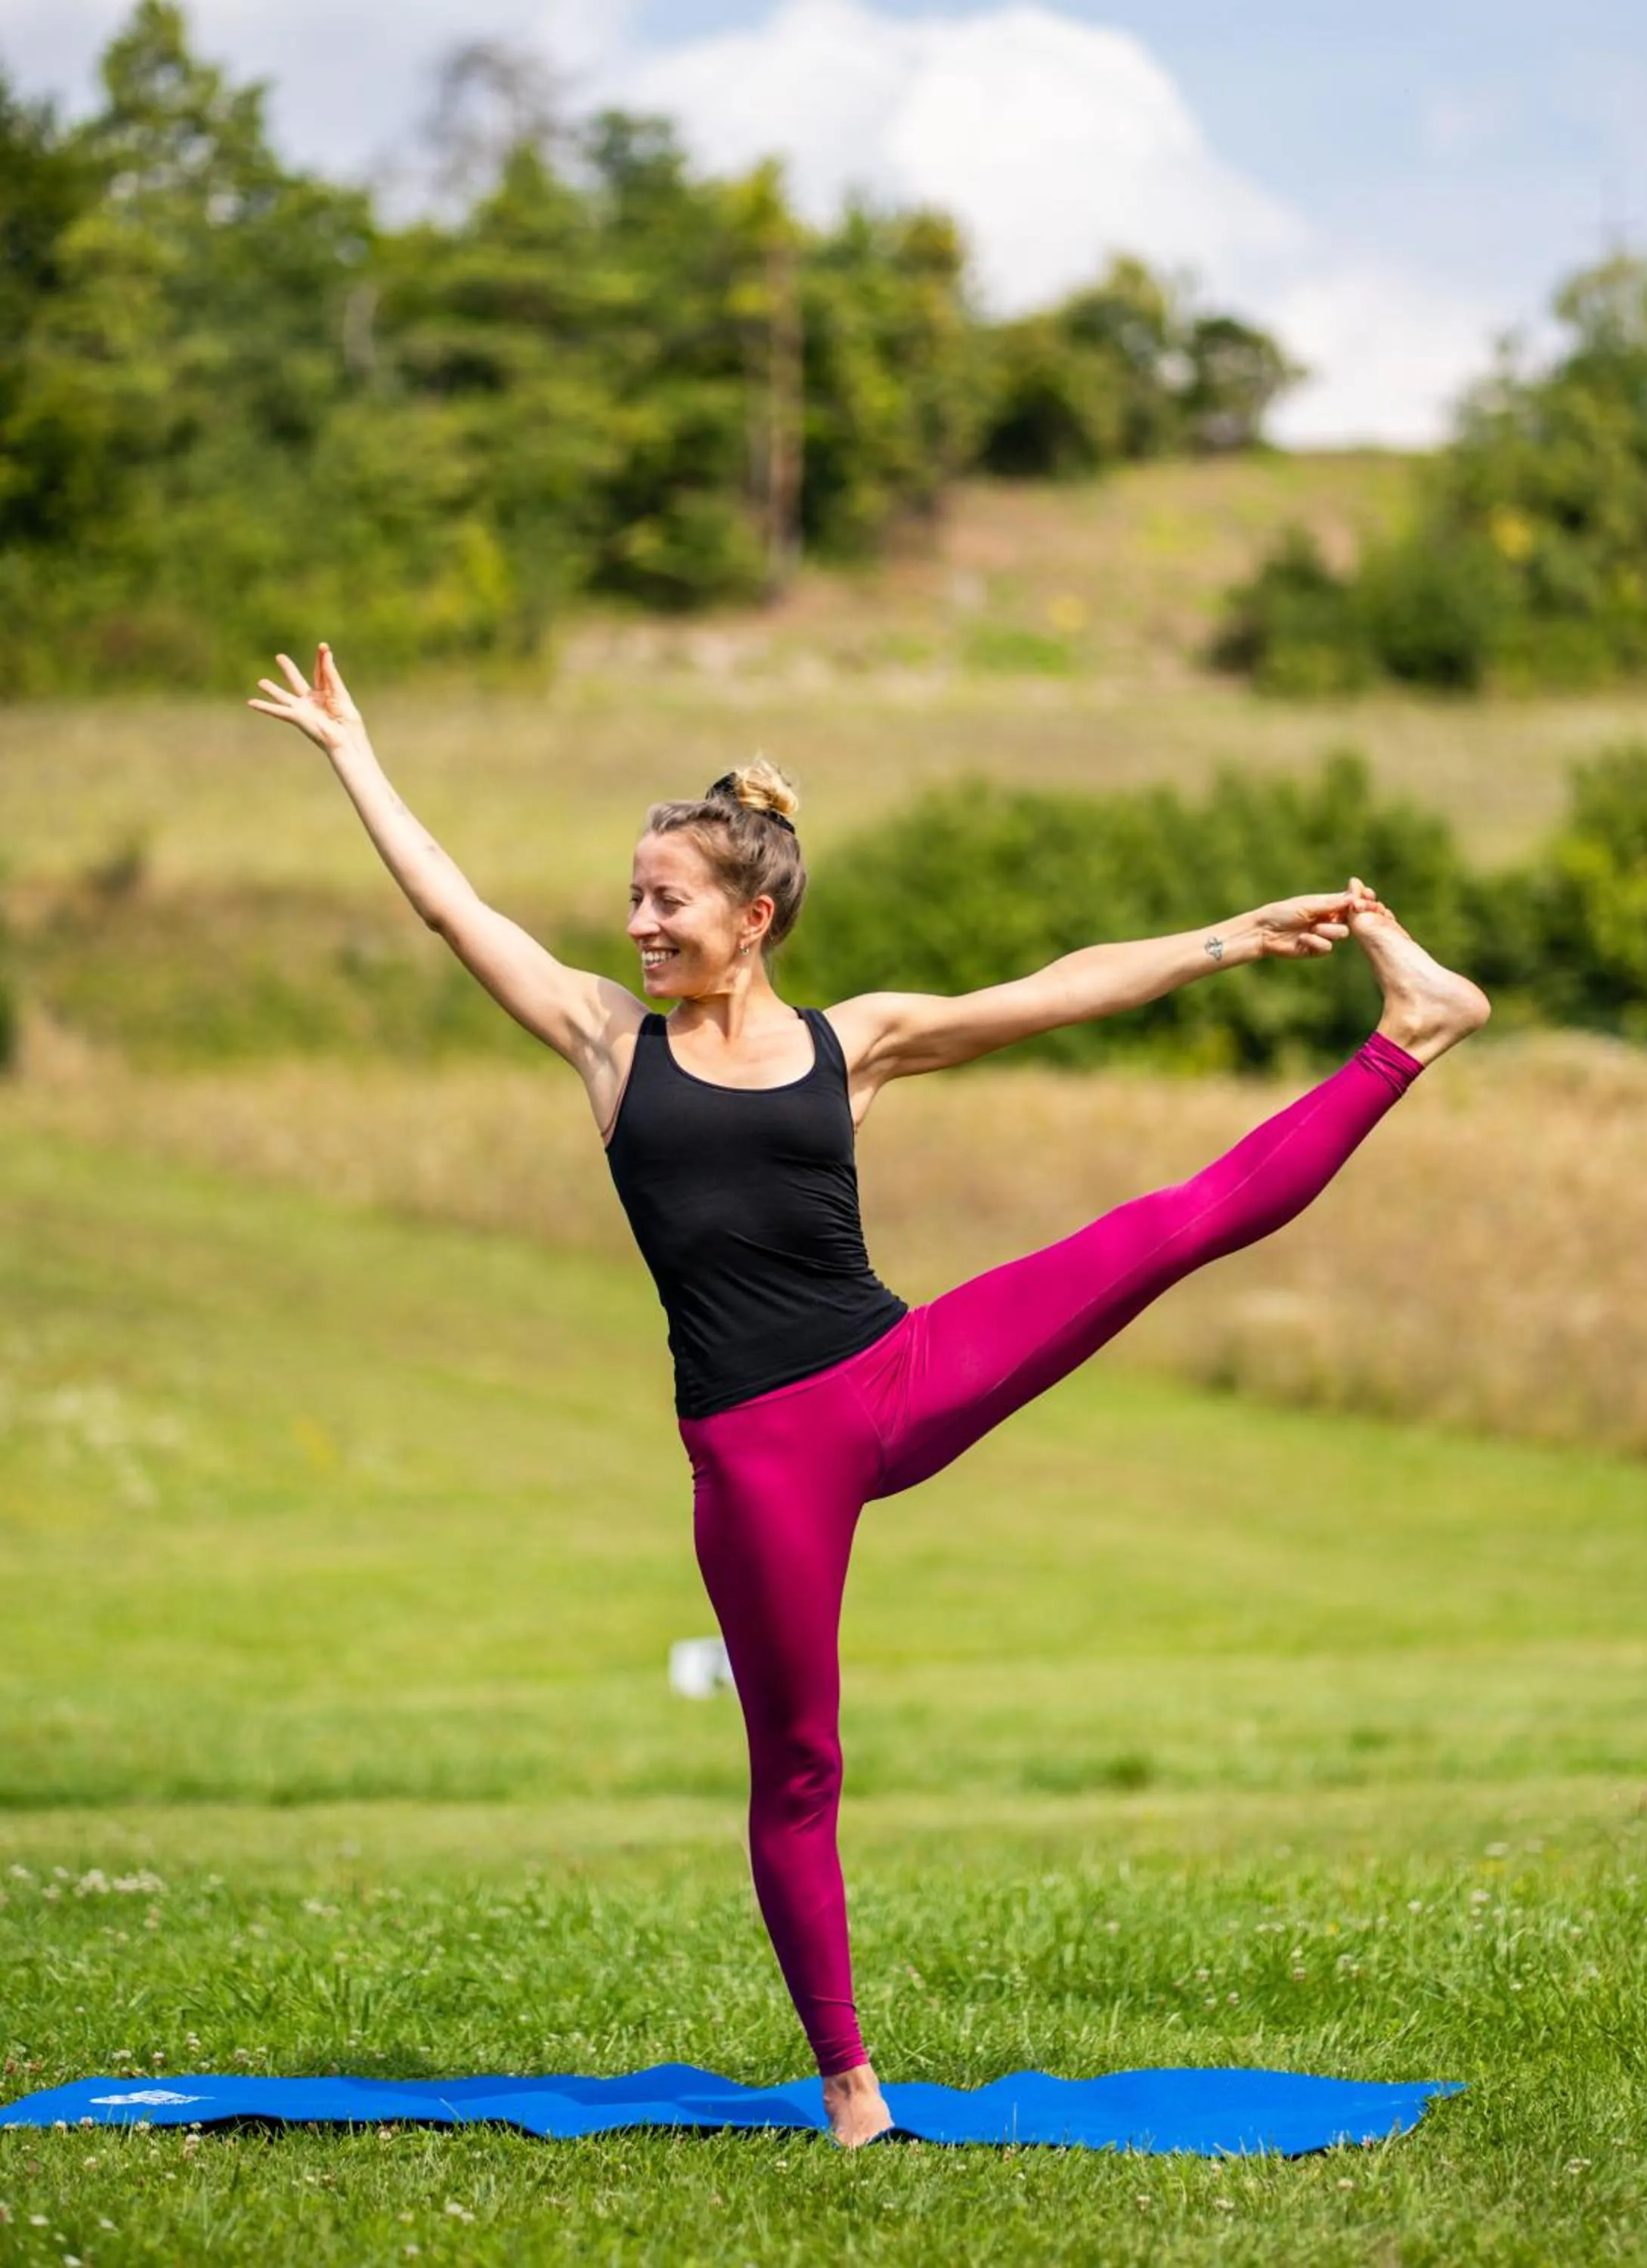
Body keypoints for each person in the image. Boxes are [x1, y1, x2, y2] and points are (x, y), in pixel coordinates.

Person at [250, 642, 1490, 2149]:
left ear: (752, 916)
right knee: (800, 1762)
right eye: (633, 898)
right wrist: (351, 756)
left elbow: (1056, 992)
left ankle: (1409, 1033)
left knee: (1163, 1229)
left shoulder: (854, 1044)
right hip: (758, 1455)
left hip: (895, 1375)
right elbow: (450, 899)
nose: (636, 922)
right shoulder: (603, 1042)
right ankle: (850, 2088)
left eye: (667, 900)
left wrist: (1233, 934)